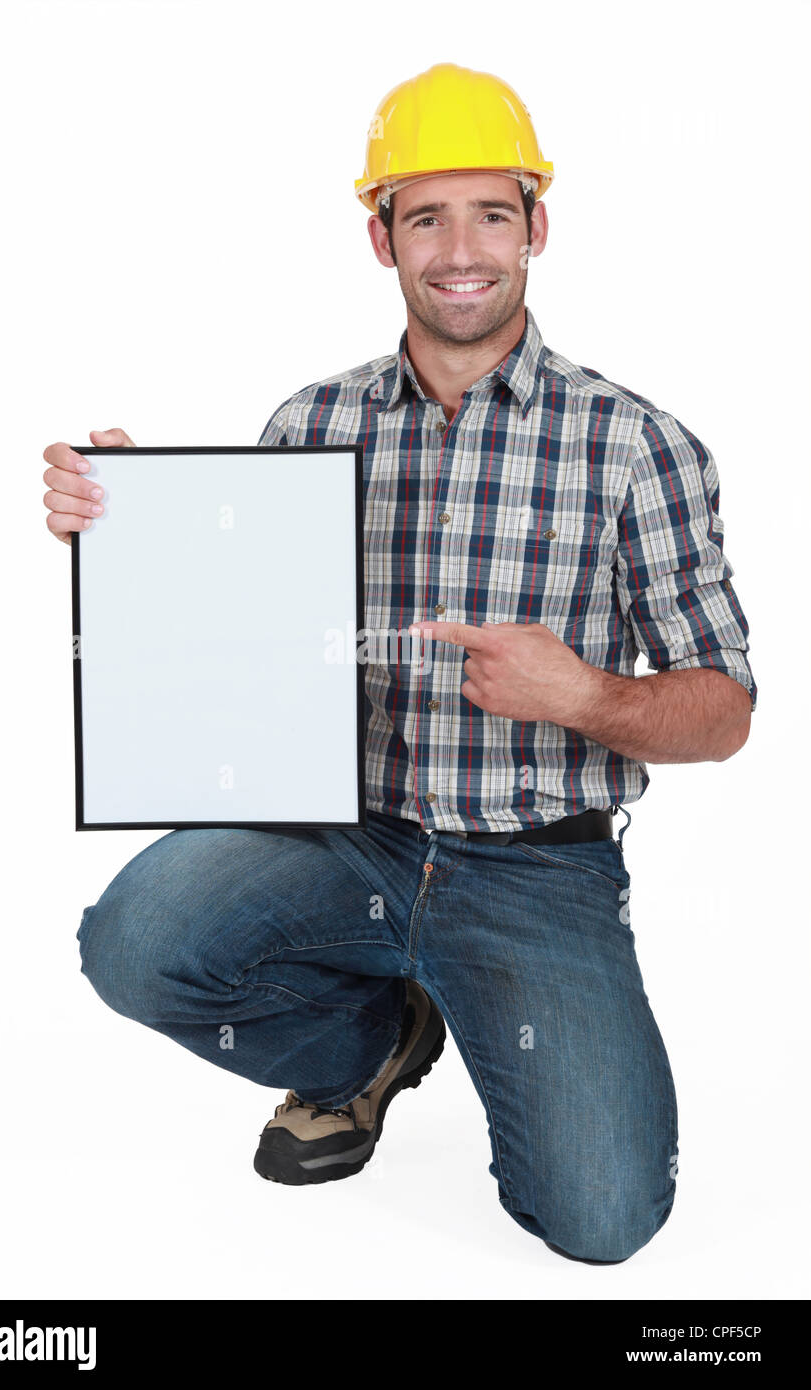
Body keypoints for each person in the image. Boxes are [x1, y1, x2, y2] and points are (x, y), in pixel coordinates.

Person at [41, 62, 756, 1264]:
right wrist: (134, 525)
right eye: (424, 215)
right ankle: (365, 1046)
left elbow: (723, 708)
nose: (459, 247)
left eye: (490, 211)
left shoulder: (638, 447)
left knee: (600, 1217)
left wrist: (579, 693)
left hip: (535, 876)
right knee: (133, 943)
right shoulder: (309, 424)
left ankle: (475, 1005)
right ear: (380, 238)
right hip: (339, 836)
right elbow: (240, 649)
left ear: (537, 227)